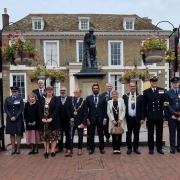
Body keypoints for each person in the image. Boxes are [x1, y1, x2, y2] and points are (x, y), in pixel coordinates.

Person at [143, 76, 166, 155]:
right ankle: (151, 149)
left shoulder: (162, 90)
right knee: (150, 133)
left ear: (157, 82)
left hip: (159, 115)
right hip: (150, 115)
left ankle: (159, 148)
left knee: (160, 133)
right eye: (153, 81)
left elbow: (164, 102)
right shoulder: (146, 92)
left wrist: (164, 113)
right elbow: (144, 105)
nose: (154, 82)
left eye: (155, 81)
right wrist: (145, 116)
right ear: (150, 82)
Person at [122, 81, 144, 155]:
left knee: (136, 134)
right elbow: (122, 108)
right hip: (128, 118)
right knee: (128, 134)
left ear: (136, 87)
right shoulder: (125, 96)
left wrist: (142, 118)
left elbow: (143, 108)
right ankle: (129, 148)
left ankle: (136, 148)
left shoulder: (140, 96)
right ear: (129, 87)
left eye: (134, 86)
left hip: (137, 118)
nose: (132, 88)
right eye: (131, 86)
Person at [39, 86, 61, 159]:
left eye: (51, 90)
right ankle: (46, 151)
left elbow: (57, 109)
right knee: (45, 137)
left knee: (54, 137)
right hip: (44, 122)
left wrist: (51, 118)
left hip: (54, 121)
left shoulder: (56, 99)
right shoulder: (42, 99)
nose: (49, 91)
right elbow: (39, 109)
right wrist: (42, 118)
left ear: (53, 91)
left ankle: (53, 151)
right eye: (48, 90)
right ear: (45, 91)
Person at [85, 83, 107, 154]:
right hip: (91, 119)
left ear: (99, 89)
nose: (95, 89)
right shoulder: (88, 98)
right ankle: (92, 148)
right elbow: (86, 110)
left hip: (100, 119)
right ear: (92, 89)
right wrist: (87, 119)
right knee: (91, 135)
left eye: (96, 88)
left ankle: (102, 148)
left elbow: (105, 109)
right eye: (94, 88)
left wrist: (105, 119)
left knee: (101, 134)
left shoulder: (103, 98)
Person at [4, 86, 24, 155]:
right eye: (13, 91)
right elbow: (6, 109)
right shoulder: (7, 99)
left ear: (18, 92)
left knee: (18, 134)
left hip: (18, 119)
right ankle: (13, 148)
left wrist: (15, 116)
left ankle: (18, 148)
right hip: (10, 119)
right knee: (12, 134)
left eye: (15, 92)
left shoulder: (20, 99)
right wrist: (10, 116)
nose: (14, 93)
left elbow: (21, 109)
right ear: (11, 92)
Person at [164, 77, 180, 154]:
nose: (175, 84)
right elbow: (166, 105)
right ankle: (172, 148)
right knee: (172, 133)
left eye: (176, 83)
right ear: (171, 84)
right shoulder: (168, 93)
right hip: (172, 117)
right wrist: (172, 115)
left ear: (179, 83)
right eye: (174, 83)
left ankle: (179, 147)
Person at [57, 86, 74, 157]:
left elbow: (72, 108)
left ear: (66, 91)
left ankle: (68, 148)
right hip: (59, 120)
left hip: (67, 120)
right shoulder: (57, 99)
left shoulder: (70, 99)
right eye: (61, 90)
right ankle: (60, 147)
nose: (62, 91)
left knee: (68, 135)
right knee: (59, 135)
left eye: (64, 90)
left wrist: (72, 117)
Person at [71, 88, 86, 155]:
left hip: (80, 122)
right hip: (72, 121)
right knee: (70, 136)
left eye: (77, 92)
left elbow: (85, 113)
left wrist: (83, 123)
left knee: (80, 136)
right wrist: (70, 117)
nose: (75, 93)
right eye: (74, 92)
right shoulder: (71, 100)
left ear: (80, 93)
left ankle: (80, 149)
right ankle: (70, 149)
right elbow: (68, 110)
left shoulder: (83, 101)